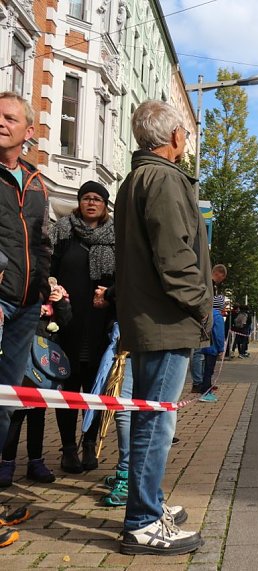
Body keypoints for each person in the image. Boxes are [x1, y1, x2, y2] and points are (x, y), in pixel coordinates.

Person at [114, 100, 212, 555]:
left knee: (150, 418)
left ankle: (147, 504)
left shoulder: (136, 178)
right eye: (186, 135)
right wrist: (201, 308)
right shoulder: (166, 179)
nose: (187, 142)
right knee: (157, 421)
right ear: (173, 137)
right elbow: (175, 259)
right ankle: (142, 521)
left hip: (149, 315)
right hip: (166, 319)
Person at [0, 92, 52, 549]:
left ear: (28, 131)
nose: (1, 123)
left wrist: (45, 286)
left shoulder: (36, 181)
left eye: (10, 117)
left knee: (5, 400)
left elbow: (41, 241)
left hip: (26, 305)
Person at [50, 180, 116, 473]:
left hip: (100, 325)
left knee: (96, 388)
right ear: (79, 202)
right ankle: (67, 449)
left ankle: (89, 444)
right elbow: (48, 270)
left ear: (104, 205)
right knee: (68, 389)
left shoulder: (115, 237)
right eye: (86, 198)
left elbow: (121, 276)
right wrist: (52, 289)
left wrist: (110, 296)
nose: (91, 203)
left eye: (97, 199)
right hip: (67, 323)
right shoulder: (62, 231)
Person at [0, 279, 70, 487]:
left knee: (37, 415)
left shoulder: (55, 289)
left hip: (42, 364)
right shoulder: (15, 290)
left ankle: (36, 462)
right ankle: (7, 463)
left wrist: (59, 303)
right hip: (17, 359)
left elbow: (66, 321)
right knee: (14, 414)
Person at [191, 264, 227, 392]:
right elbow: (219, 333)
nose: (221, 281)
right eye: (221, 278)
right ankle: (199, 383)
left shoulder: (210, 284)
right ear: (218, 274)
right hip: (203, 322)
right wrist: (221, 348)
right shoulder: (208, 284)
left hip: (204, 322)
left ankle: (202, 382)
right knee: (199, 354)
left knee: (201, 355)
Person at [197, 297, 225, 403]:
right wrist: (221, 348)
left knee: (206, 370)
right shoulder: (218, 317)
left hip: (205, 345)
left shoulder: (207, 314)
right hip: (213, 347)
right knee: (209, 370)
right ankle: (206, 392)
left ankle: (205, 389)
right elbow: (219, 334)